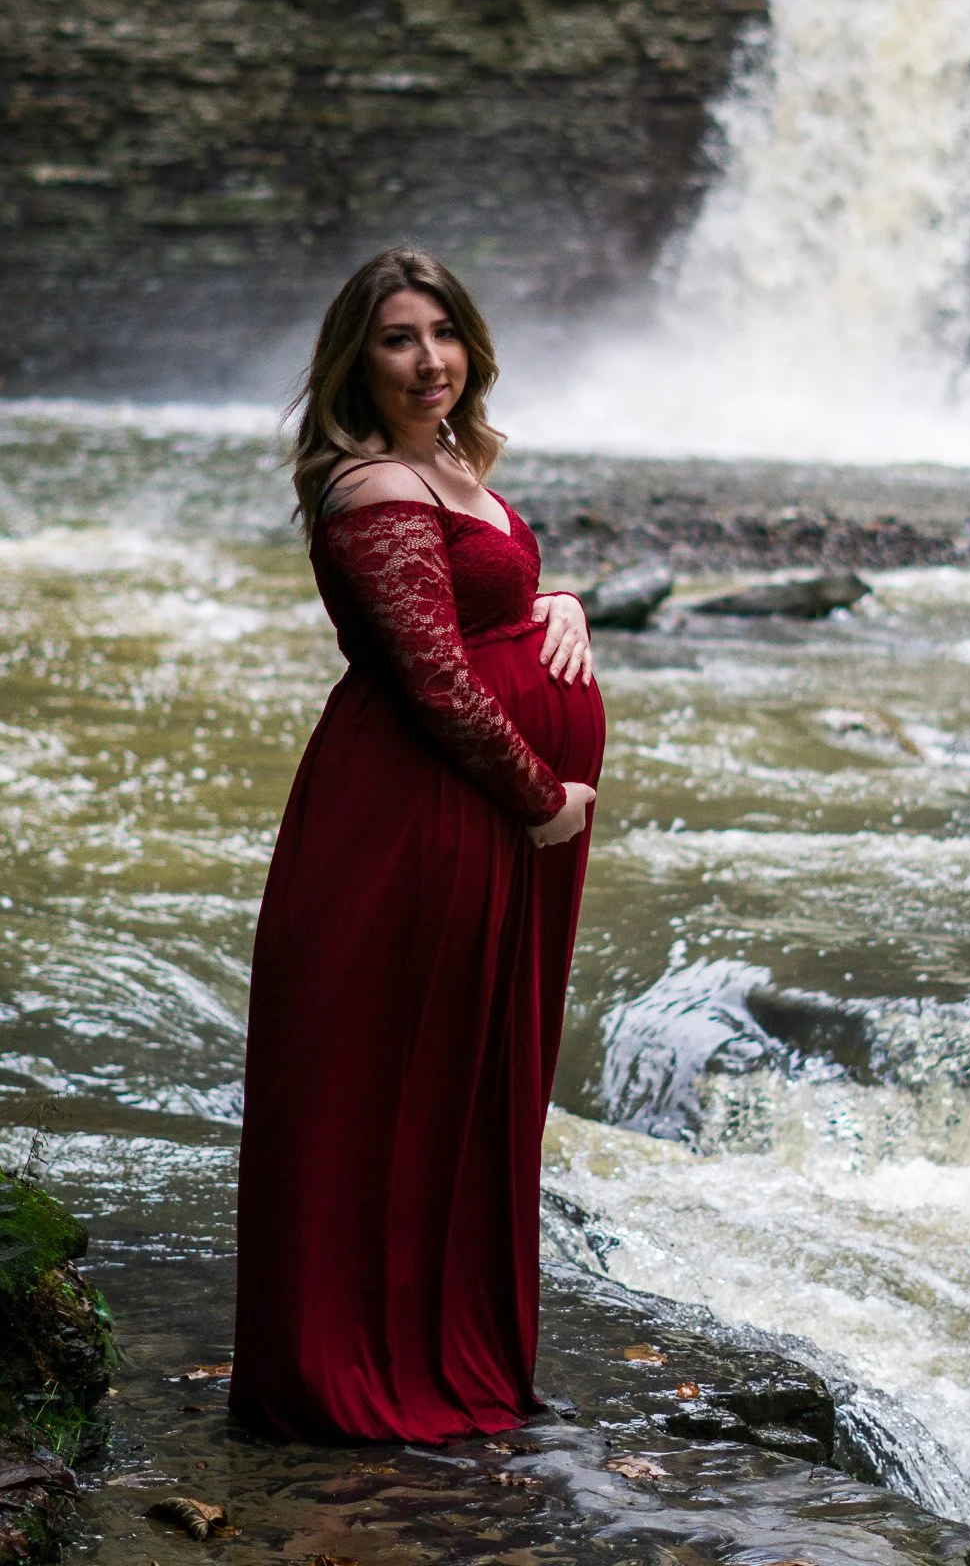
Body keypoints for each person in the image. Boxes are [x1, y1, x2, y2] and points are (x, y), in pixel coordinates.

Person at [229, 247, 603, 1442]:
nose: (428, 357)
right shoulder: (372, 483)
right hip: (421, 814)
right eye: (398, 337)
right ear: (358, 356)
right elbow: (431, 674)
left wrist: (557, 600)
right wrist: (540, 793)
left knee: (460, 1077)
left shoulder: (449, 462)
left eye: (443, 331)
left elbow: (472, 601)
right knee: (385, 1079)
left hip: (470, 811)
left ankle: (449, 1343)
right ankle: (357, 1369)